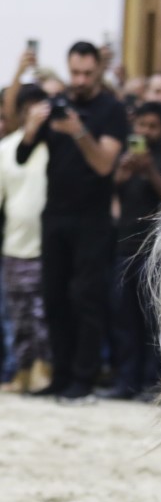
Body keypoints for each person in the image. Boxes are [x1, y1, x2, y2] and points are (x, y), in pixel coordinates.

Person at [16, 40, 128, 402]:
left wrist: (79, 132)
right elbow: (21, 154)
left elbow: (103, 165)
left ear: (98, 71)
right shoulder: (56, 104)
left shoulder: (111, 110)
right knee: (54, 297)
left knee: (86, 298)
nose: (79, 80)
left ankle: (84, 377)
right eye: (74, 72)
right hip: (55, 215)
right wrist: (32, 128)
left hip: (92, 219)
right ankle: (60, 375)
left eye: (86, 73)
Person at [101, 102, 161, 400]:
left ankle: (156, 385)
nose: (145, 132)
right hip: (124, 249)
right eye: (141, 125)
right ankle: (126, 383)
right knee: (123, 322)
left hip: (158, 253)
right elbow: (104, 197)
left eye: (152, 126)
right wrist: (121, 177)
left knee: (156, 325)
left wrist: (151, 171)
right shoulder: (124, 160)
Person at [0, 85, 51, 393]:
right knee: (19, 314)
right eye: (27, 108)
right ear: (19, 112)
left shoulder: (55, 146)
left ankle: (44, 368)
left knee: (43, 314)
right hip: (14, 245)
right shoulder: (6, 148)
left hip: (47, 245)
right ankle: (21, 369)